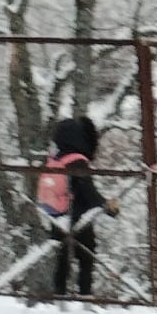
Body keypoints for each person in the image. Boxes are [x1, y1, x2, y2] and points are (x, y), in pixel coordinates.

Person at [39, 116, 118, 301]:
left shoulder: (54, 159)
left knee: (63, 258)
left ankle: (59, 299)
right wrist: (108, 207)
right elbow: (88, 192)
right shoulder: (77, 161)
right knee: (86, 256)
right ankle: (85, 300)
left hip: (56, 215)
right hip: (77, 216)